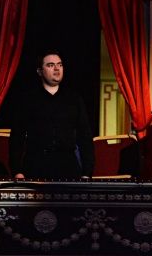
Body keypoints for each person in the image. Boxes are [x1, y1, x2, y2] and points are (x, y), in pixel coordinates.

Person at [8, 50, 94, 179]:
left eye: (60, 64)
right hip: (35, 167)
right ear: (39, 71)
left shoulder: (74, 99)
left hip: (68, 168)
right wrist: (17, 171)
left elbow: (85, 137)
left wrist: (87, 172)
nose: (56, 69)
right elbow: (17, 137)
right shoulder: (27, 99)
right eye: (50, 65)